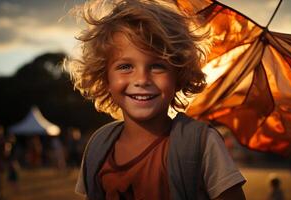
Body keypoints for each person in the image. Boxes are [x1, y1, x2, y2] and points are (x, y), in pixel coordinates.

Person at [66, 0, 246, 199]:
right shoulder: (98, 147)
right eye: (125, 66)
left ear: (179, 76)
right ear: (105, 78)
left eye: (157, 66)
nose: (142, 80)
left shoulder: (201, 143)